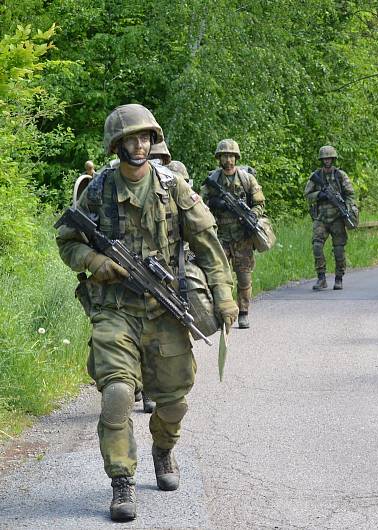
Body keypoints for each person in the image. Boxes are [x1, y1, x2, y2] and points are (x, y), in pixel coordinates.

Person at [56, 104, 237, 521]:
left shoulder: (173, 188)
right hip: (115, 309)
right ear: (116, 144)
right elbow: (67, 240)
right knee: (118, 393)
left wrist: (224, 296)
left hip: (165, 309)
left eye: (145, 138)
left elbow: (208, 245)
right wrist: (94, 262)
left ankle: (163, 451)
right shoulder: (98, 190)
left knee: (173, 400)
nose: (139, 146)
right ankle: (121, 480)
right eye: (130, 139)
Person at [201, 139, 266, 329]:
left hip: (242, 236)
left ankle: (243, 311)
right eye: (224, 156)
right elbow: (199, 206)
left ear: (236, 158)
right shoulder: (213, 181)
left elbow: (259, 203)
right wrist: (214, 205)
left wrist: (250, 218)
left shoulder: (247, 179)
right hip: (220, 235)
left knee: (244, 277)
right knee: (219, 276)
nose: (228, 160)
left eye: (231, 156)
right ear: (219, 158)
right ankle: (224, 312)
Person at [303, 145, 358, 290]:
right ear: (322, 160)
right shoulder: (317, 176)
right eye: (324, 158)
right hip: (321, 217)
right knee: (317, 246)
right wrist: (320, 195)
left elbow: (351, 195)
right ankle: (321, 278)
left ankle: (339, 278)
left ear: (333, 159)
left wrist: (346, 207)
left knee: (339, 249)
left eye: (329, 158)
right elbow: (307, 195)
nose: (327, 161)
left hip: (337, 218)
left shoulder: (340, 175)